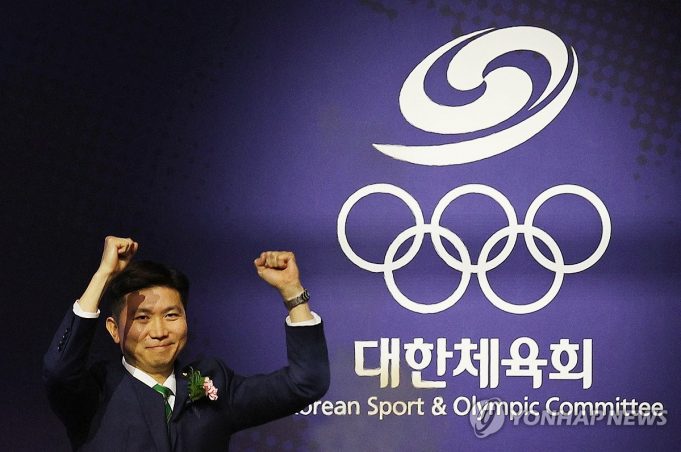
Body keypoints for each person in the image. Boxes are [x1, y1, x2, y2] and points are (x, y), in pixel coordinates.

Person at [43, 236, 329, 451]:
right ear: (114, 330)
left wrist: (293, 293)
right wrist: (103, 275)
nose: (159, 331)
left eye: (171, 315)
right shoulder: (94, 392)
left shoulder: (213, 382)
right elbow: (59, 370)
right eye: (142, 318)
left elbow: (306, 382)